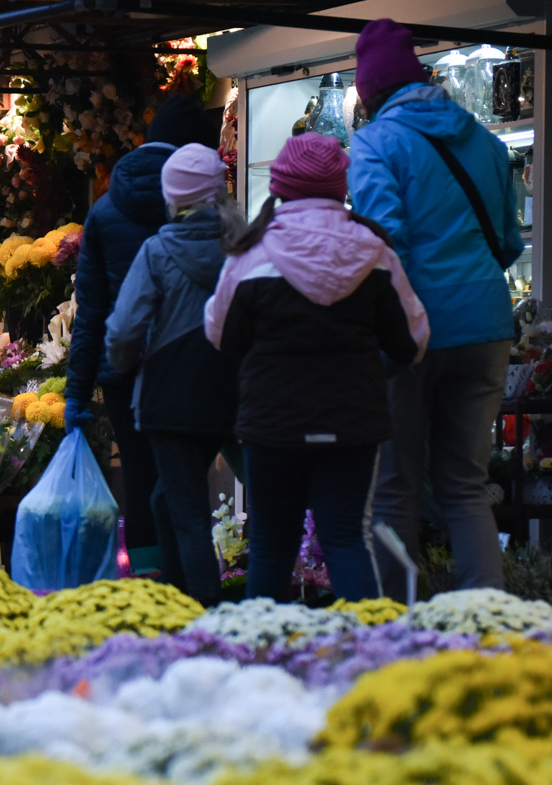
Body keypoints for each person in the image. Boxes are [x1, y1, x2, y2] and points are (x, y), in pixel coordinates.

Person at [205, 132, 430, 602]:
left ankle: (260, 659)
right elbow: (412, 343)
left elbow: (219, 334)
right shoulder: (374, 252)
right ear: (338, 186)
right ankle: (366, 658)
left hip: (272, 421)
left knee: (271, 544)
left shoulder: (252, 253)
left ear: (280, 186)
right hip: (353, 422)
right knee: (347, 537)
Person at [349, 19, 522, 592]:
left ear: (370, 93)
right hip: (487, 327)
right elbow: (509, 242)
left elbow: (382, 241)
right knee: (465, 485)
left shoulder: (375, 142)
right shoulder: (487, 143)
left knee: (395, 486)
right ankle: (487, 631)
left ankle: (399, 632)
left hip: (413, 332)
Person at [65, 91, 220, 554]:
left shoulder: (106, 210)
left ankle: (151, 584)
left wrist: (76, 395)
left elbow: (90, 311)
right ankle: (194, 586)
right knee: (188, 485)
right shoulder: (214, 214)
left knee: (140, 478)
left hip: (124, 372)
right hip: (197, 365)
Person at [104, 143, 241, 607]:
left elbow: (123, 330)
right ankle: (178, 594)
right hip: (232, 391)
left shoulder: (158, 251)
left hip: (171, 398)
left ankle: (201, 613)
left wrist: (125, 366)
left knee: (187, 515)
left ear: (173, 197)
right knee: (169, 498)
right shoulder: (242, 246)